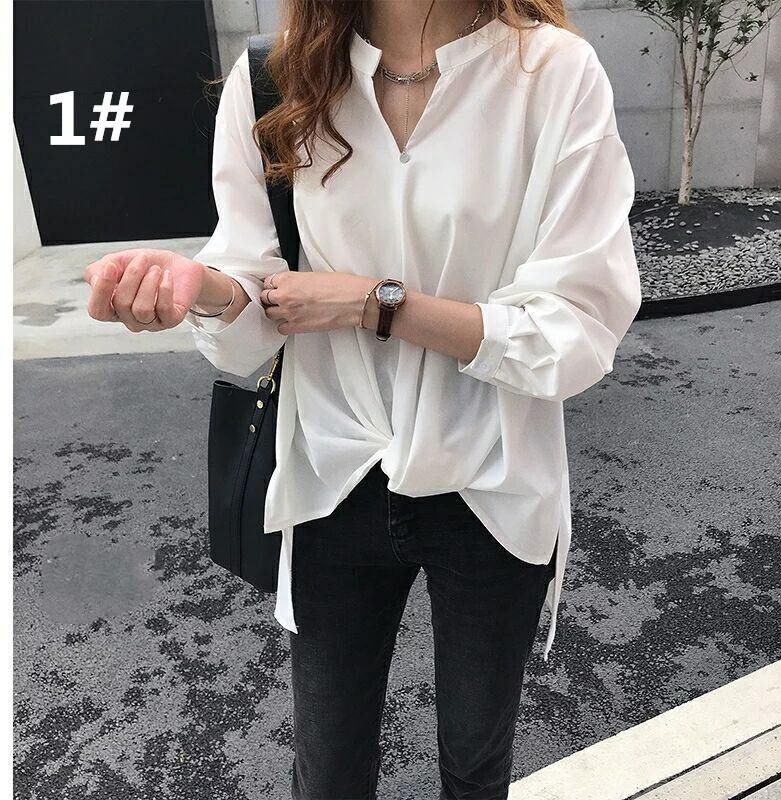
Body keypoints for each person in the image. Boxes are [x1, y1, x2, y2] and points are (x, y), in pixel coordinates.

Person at [84, 1, 641, 797]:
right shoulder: (277, 77)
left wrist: (374, 303)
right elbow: (254, 292)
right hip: (332, 471)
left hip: (490, 477)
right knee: (329, 771)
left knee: (475, 768)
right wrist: (202, 288)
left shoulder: (551, 74)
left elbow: (577, 327)